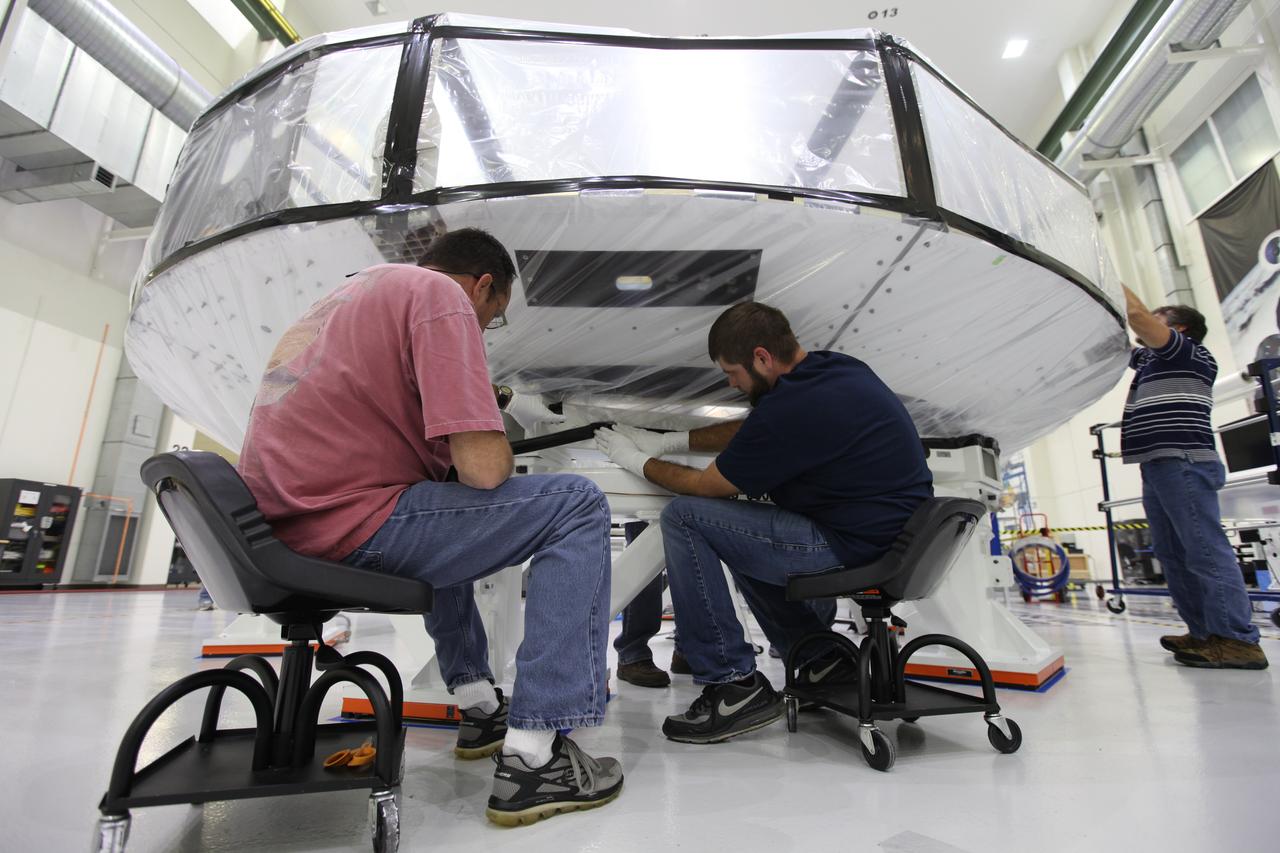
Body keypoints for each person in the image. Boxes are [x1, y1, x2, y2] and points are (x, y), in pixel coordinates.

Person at [238, 227, 624, 825]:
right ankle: (536, 756)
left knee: (436, 498)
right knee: (576, 503)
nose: (483, 330)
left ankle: (478, 706)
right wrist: (484, 410)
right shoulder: (440, 297)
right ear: (483, 285)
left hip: (283, 529)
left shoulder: (349, 295)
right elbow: (486, 472)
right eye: (491, 319)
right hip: (347, 523)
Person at [596, 301, 933, 743]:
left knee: (685, 518)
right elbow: (755, 427)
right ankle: (818, 660)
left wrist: (635, 459)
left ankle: (731, 684)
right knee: (738, 529)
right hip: (893, 537)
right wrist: (671, 439)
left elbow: (707, 487)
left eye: (732, 373)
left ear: (761, 357)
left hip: (853, 546)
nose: (731, 385)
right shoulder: (835, 370)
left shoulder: (792, 407)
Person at [1119, 285, 1268, 669]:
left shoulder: (1186, 351)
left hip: (1182, 460)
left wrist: (1105, 270)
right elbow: (1111, 350)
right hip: (1156, 463)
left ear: (1180, 329)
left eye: (1159, 318)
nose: (1148, 325)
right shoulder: (1152, 361)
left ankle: (1237, 639)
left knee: (1203, 549)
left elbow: (1136, 315)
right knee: (1173, 554)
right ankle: (1204, 634)